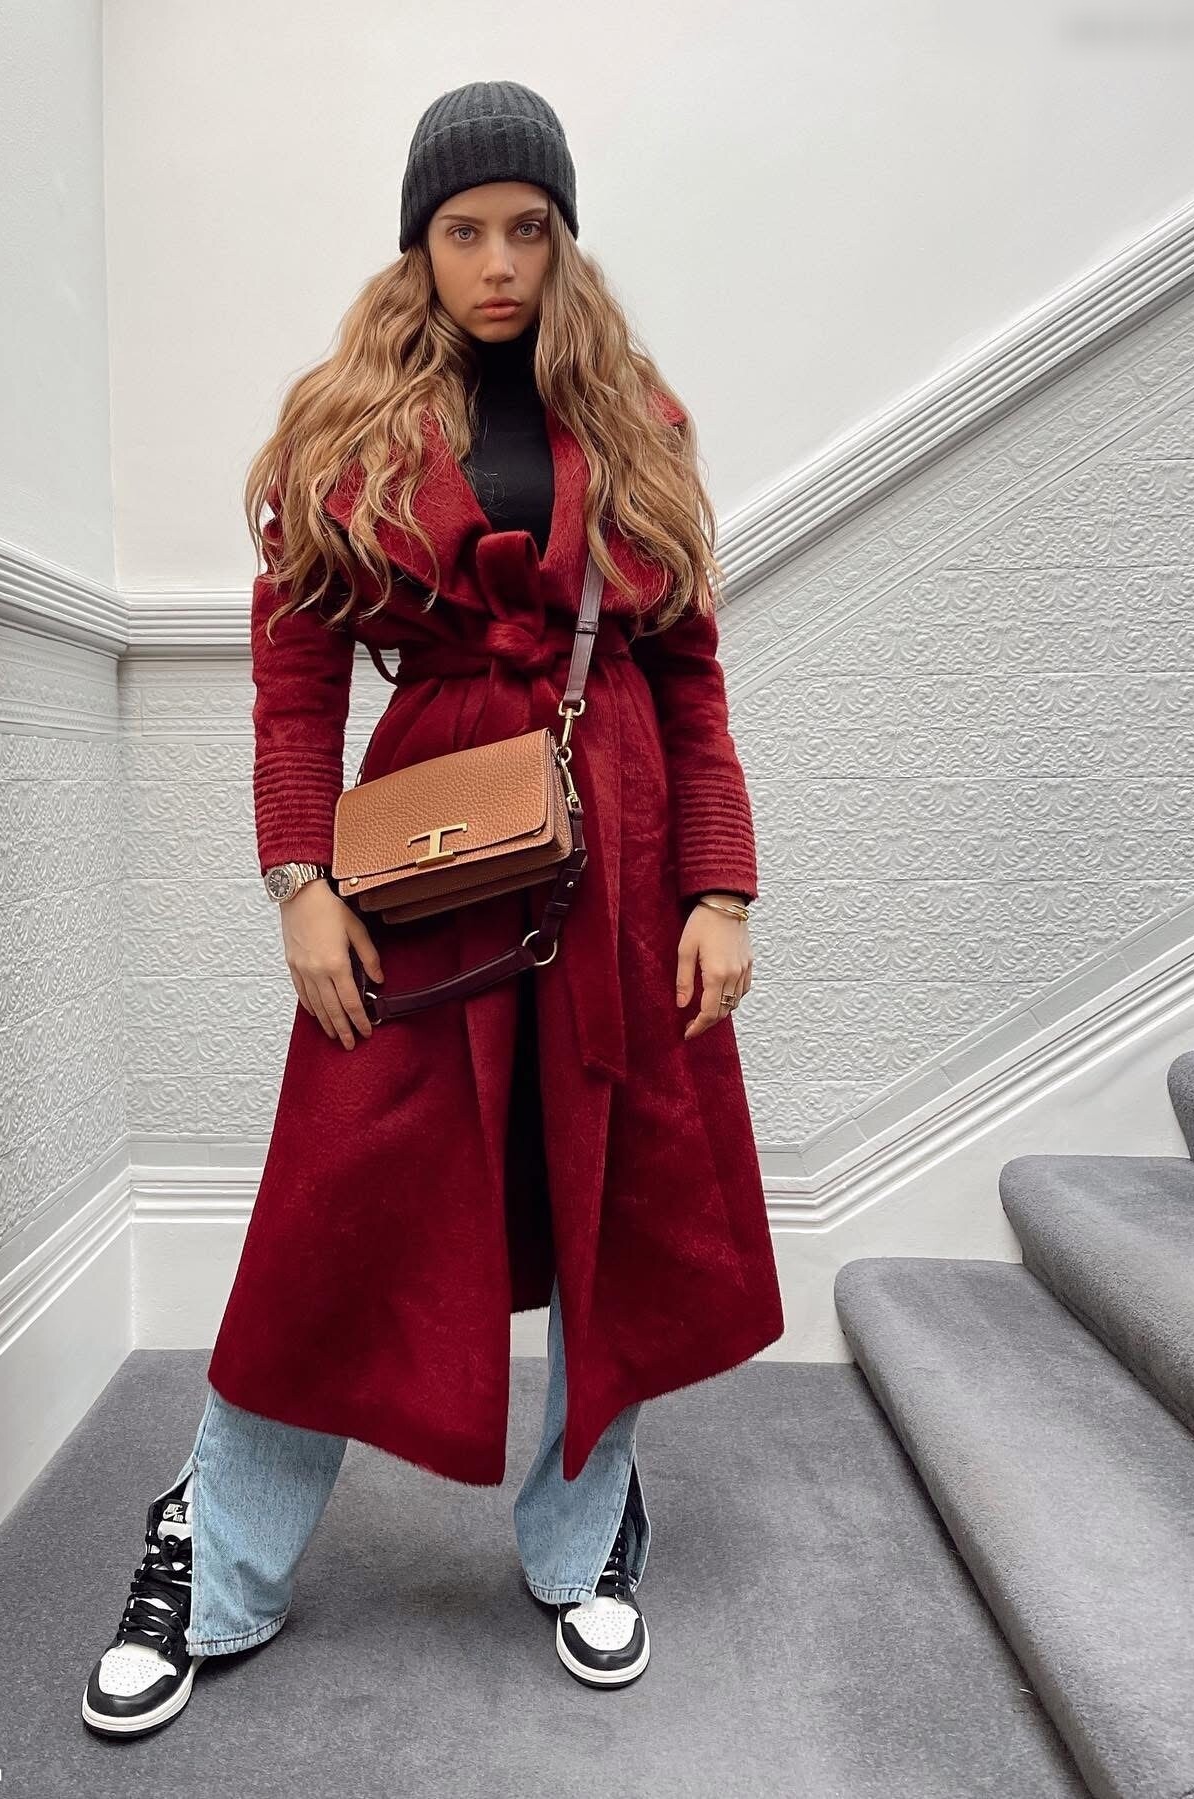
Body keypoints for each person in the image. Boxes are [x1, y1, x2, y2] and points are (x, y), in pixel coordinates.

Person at [82, 79, 783, 1739]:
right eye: (464, 231)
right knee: (335, 1213)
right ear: (418, 244)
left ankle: (586, 1531)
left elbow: (689, 677)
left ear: (564, 239)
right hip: (428, 854)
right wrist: (299, 883)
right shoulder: (350, 422)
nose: (498, 263)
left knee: (606, 1189)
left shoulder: (638, 422)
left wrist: (721, 886)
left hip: (614, 856)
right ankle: (215, 1551)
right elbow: (292, 682)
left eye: (527, 230)